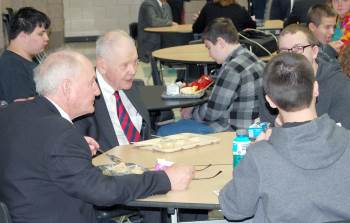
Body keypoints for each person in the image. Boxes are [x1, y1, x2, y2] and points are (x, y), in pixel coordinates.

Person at [0, 49, 193, 223]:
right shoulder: (60, 134)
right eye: (91, 82)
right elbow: (103, 192)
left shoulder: (12, 112)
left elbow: (36, 153)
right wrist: (165, 179)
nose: (97, 90)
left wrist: (74, 148)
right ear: (67, 87)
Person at [220, 52, 350, 223]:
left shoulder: (260, 155)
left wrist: (250, 156)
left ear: (270, 101)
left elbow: (233, 209)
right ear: (316, 89)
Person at [158, 18, 264, 136]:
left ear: (220, 43)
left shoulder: (232, 69)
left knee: (164, 131)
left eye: (209, 47)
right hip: (252, 127)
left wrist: (191, 112)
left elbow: (212, 113)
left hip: (231, 130)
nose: (209, 54)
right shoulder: (253, 58)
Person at [259, 24, 350, 128]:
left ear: (314, 52)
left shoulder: (341, 86)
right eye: (284, 51)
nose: (292, 56)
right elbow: (266, 129)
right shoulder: (272, 85)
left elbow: (342, 135)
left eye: (298, 48)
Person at [74, 30, 152, 152]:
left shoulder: (131, 85)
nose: (133, 71)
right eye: (124, 65)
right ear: (102, 65)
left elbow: (146, 132)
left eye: (135, 62)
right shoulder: (83, 95)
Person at [0, 7, 50, 103]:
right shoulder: (12, 67)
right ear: (23, 36)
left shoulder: (29, 59)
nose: (46, 38)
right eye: (40, 34)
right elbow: (23, 108)